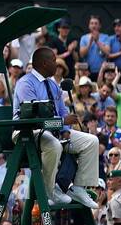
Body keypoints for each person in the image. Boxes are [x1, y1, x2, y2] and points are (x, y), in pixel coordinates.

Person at [12, 46, 100, 209]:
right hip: (27, 131)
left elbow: (62, 111)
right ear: (45, 63)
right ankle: (49, 190)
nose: (57, 64)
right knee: (53, 145)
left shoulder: (52, 85)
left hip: (53, 130)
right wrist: (62, 122)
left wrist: (65, 130)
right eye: (54, 61)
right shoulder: (25, 83)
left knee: (91, 141)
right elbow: (34, 117)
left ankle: (79, 188)